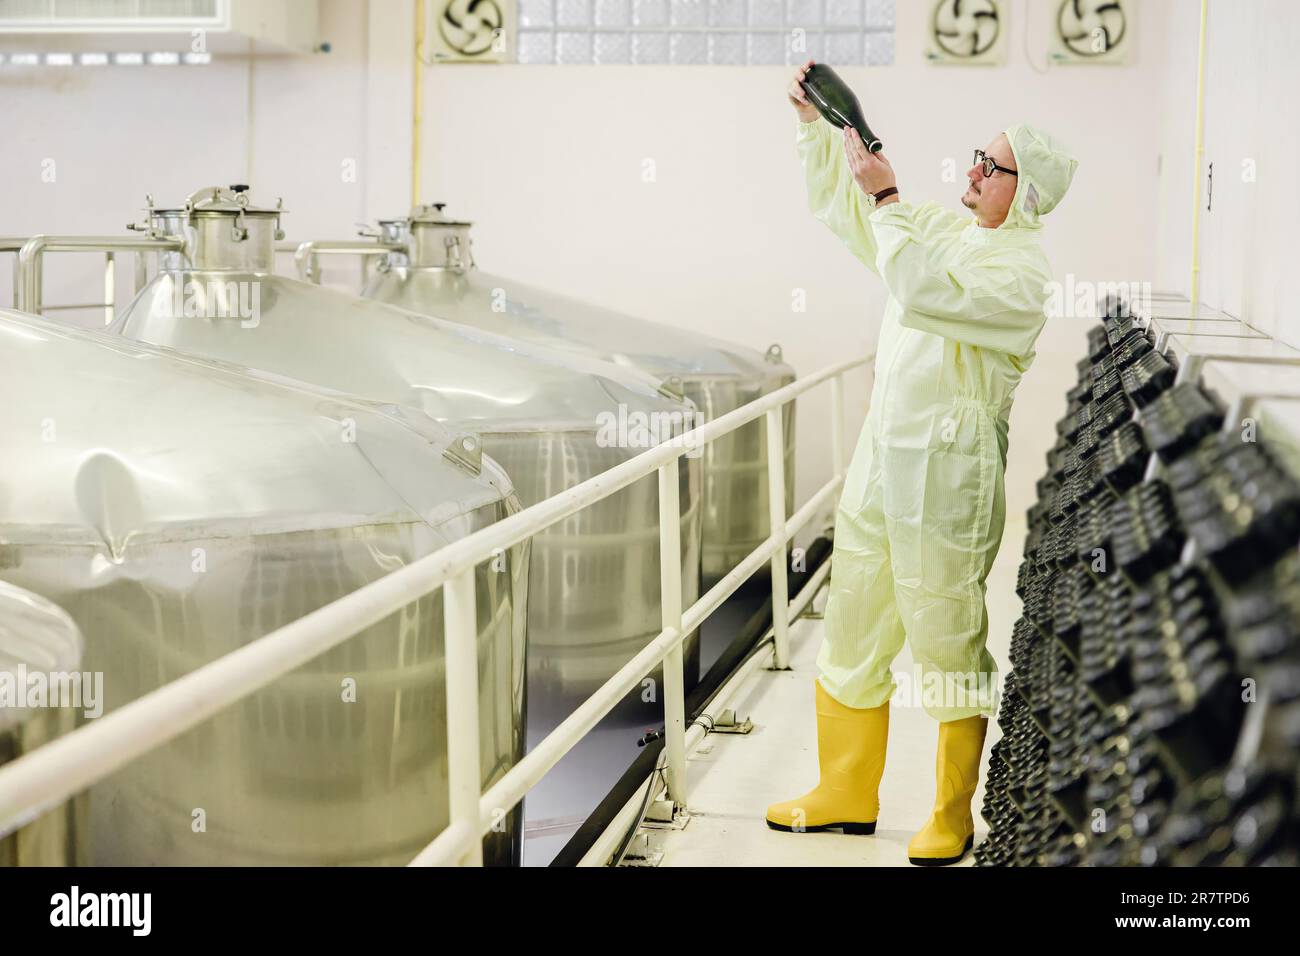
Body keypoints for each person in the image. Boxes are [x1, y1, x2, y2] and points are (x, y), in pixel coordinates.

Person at [766, 60, 1078, 865]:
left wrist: (889, 197)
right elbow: (853, 218)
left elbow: (920, 290)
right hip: (882, 460)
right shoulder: (947, 230)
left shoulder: (1021, 274)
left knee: (946, 637)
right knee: (852, 623)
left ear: (1027, 192)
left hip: (949, 477)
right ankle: (844, 792)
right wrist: (815, 131)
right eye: (978, 154)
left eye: (991, 165)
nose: (973, 170)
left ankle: (950, 812)